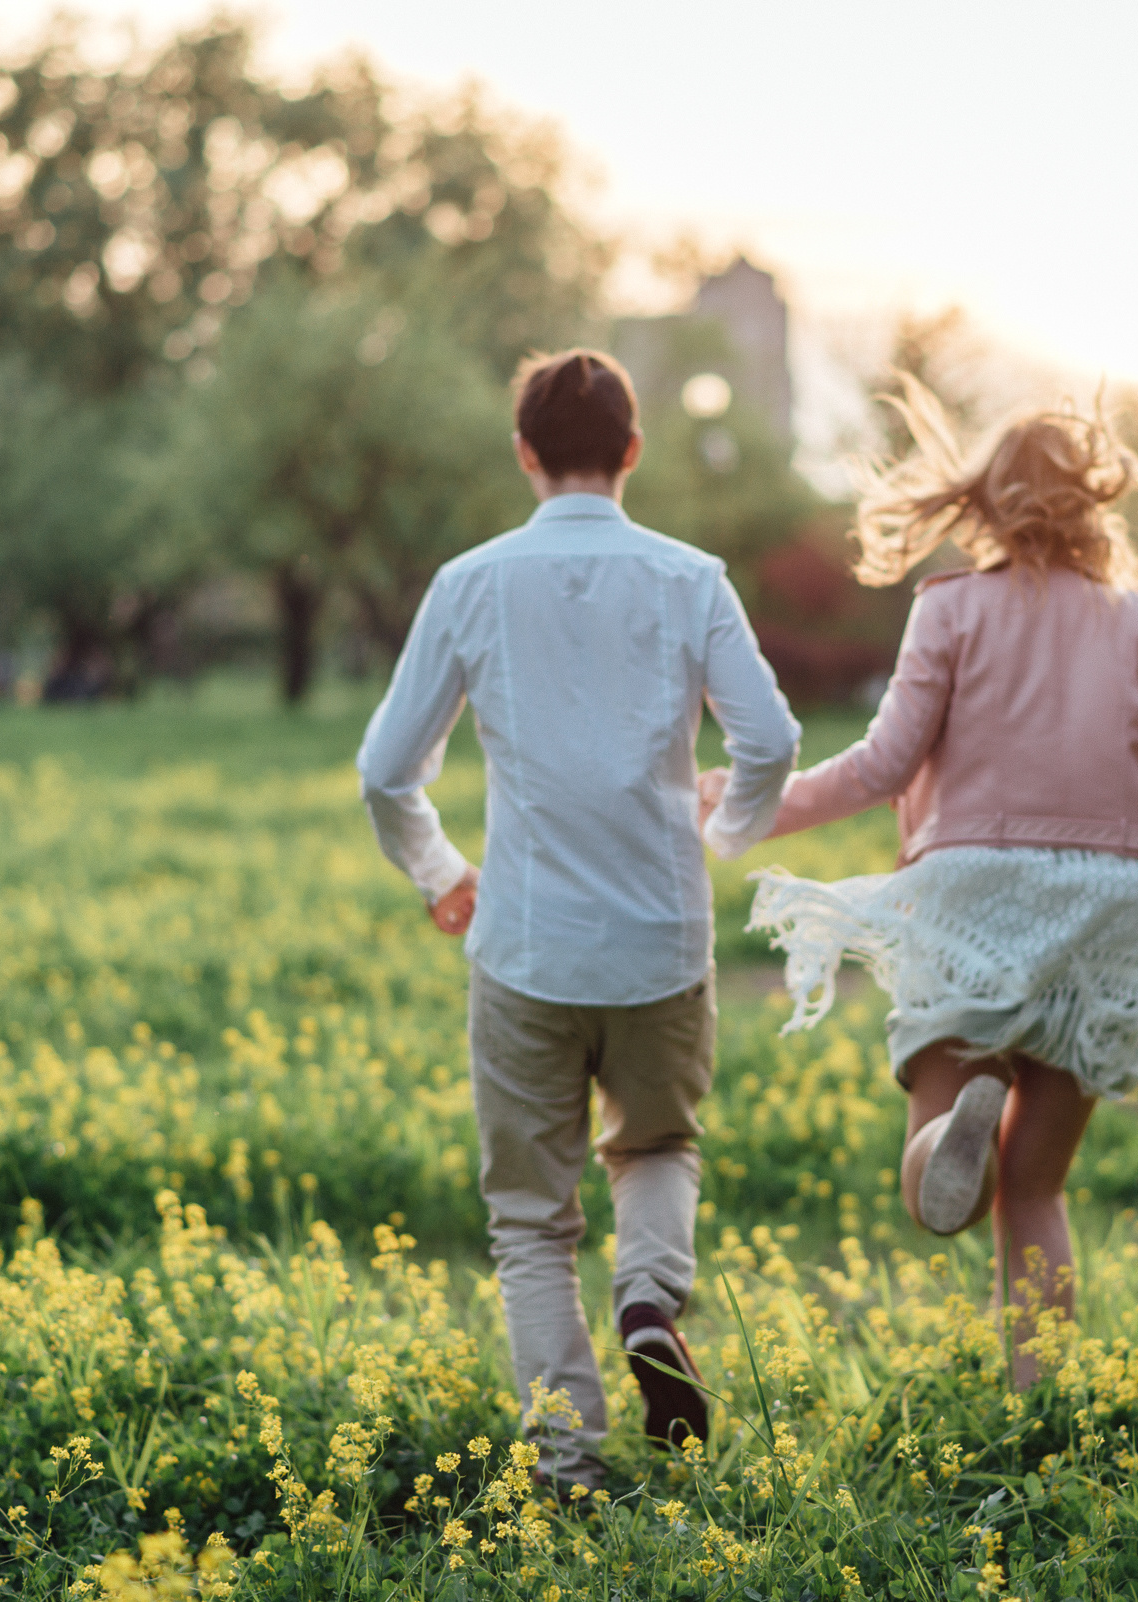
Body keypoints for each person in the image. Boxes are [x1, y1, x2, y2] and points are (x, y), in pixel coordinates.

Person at [702, 381, 1138, 1387]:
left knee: (944, 1159)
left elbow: (880, 765)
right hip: (1106, 905)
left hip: (971, 892)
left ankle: (949, 1136)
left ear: (985, 503)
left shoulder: (950, 612)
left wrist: (749, 807)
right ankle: (1040, 1401)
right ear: (1097, 507)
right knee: (1036, 1185)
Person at [356, 349, 799, 1487]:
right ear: (634, 452)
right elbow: (773, 740)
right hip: (661, 942)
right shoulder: (691, 577)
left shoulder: (470, 583)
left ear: (525, 453)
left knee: (529, 1219)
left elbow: (384, 771)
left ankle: (568, 1459)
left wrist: (441, 871)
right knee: (656, 1143)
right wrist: (726, 833)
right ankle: (650, 1301)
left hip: (525, 946)